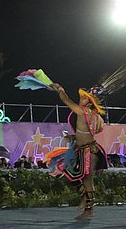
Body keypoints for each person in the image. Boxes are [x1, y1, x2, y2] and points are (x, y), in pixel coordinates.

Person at [45, 84, 107, 220]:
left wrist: (60, 89)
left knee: (87, 180)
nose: (81, 99)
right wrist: (72, 137)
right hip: (84, 149)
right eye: (82, 97)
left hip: (88, 151)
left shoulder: (82, 112)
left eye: (84, 98)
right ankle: (85, 198)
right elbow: (85, 132)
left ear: (90, 102)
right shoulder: (91, 115)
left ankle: (89, 209)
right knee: (68, 170)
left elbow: (66, 101)